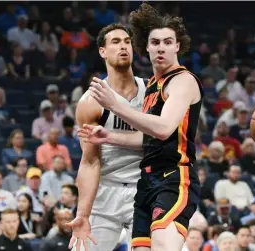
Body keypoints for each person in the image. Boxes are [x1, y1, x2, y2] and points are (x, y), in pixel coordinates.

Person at [78, 3, 203, 251]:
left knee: (164, 246)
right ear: (146, 47)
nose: (161, 48)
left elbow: (164, 128)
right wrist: (110, 136)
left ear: (177, 46)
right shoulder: (153, 88)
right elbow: (148, 139)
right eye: (155, 42)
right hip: (141, 184)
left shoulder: (182, 80)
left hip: (173, 176)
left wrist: (115, 104)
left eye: (168, 42)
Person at [66, 23, 146, 251]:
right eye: (116, 42)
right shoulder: (90, 101)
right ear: (102, 51)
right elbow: (90, 161)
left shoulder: (151, 93)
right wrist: (83, 213)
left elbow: (162, 140)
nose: (123, 46)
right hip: (105, 191)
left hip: (144, 190)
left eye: (127, 42)